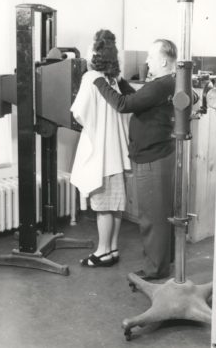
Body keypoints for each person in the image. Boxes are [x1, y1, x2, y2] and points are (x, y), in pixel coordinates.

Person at [93, 39, 177, 280]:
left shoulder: (162, 84)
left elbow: (123, 104)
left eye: (151, 57)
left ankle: (154, 270)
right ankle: (163, 263)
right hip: (158, 156)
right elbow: (140, 99)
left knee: (152, 218)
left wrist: (97, 80)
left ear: (163, 60)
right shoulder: (167, 83)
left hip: (152, 158)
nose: (147, 61)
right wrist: (119, 81)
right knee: (159, 215)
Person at [70, 29, 131, 267]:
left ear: (96, 51)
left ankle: (102, 251)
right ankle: (113, 249)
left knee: (103, 206)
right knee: (115, 205)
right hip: (117, 152)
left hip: (101, 153)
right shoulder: (114, 79)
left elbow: (79, 112)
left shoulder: (91, 77)